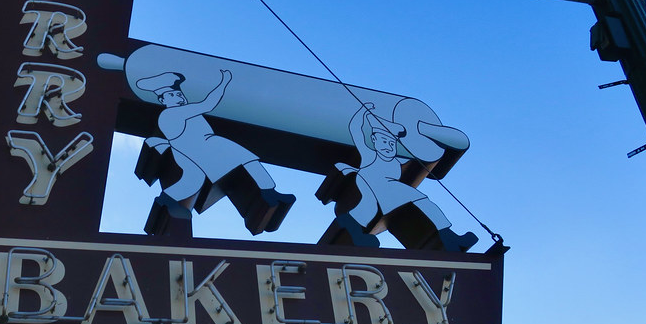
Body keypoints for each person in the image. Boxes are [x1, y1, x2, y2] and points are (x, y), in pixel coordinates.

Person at [136, 69, 294, 235]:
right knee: (195, 179)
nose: (180, 97)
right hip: (193, 149)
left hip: (209, 145)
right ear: (162, 99)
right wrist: (223, 83)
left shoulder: (185, 110)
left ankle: (270, 193)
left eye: (179, 94)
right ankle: (164, 208)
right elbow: (207, 105)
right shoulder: (170, 114)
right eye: (173, 95)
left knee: (245, 162)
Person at [323, 102, 477, 252]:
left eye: (392, 143)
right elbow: (356, 130)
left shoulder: (396, 160)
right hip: (370, 183)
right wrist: (362, 114)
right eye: (384, 141)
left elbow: (417, 148)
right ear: (375, 140)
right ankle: (447, 235)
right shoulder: (369, 154)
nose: (388, 146)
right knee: (378, 206)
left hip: (388, 188)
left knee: (419, 206)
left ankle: (449, 237)